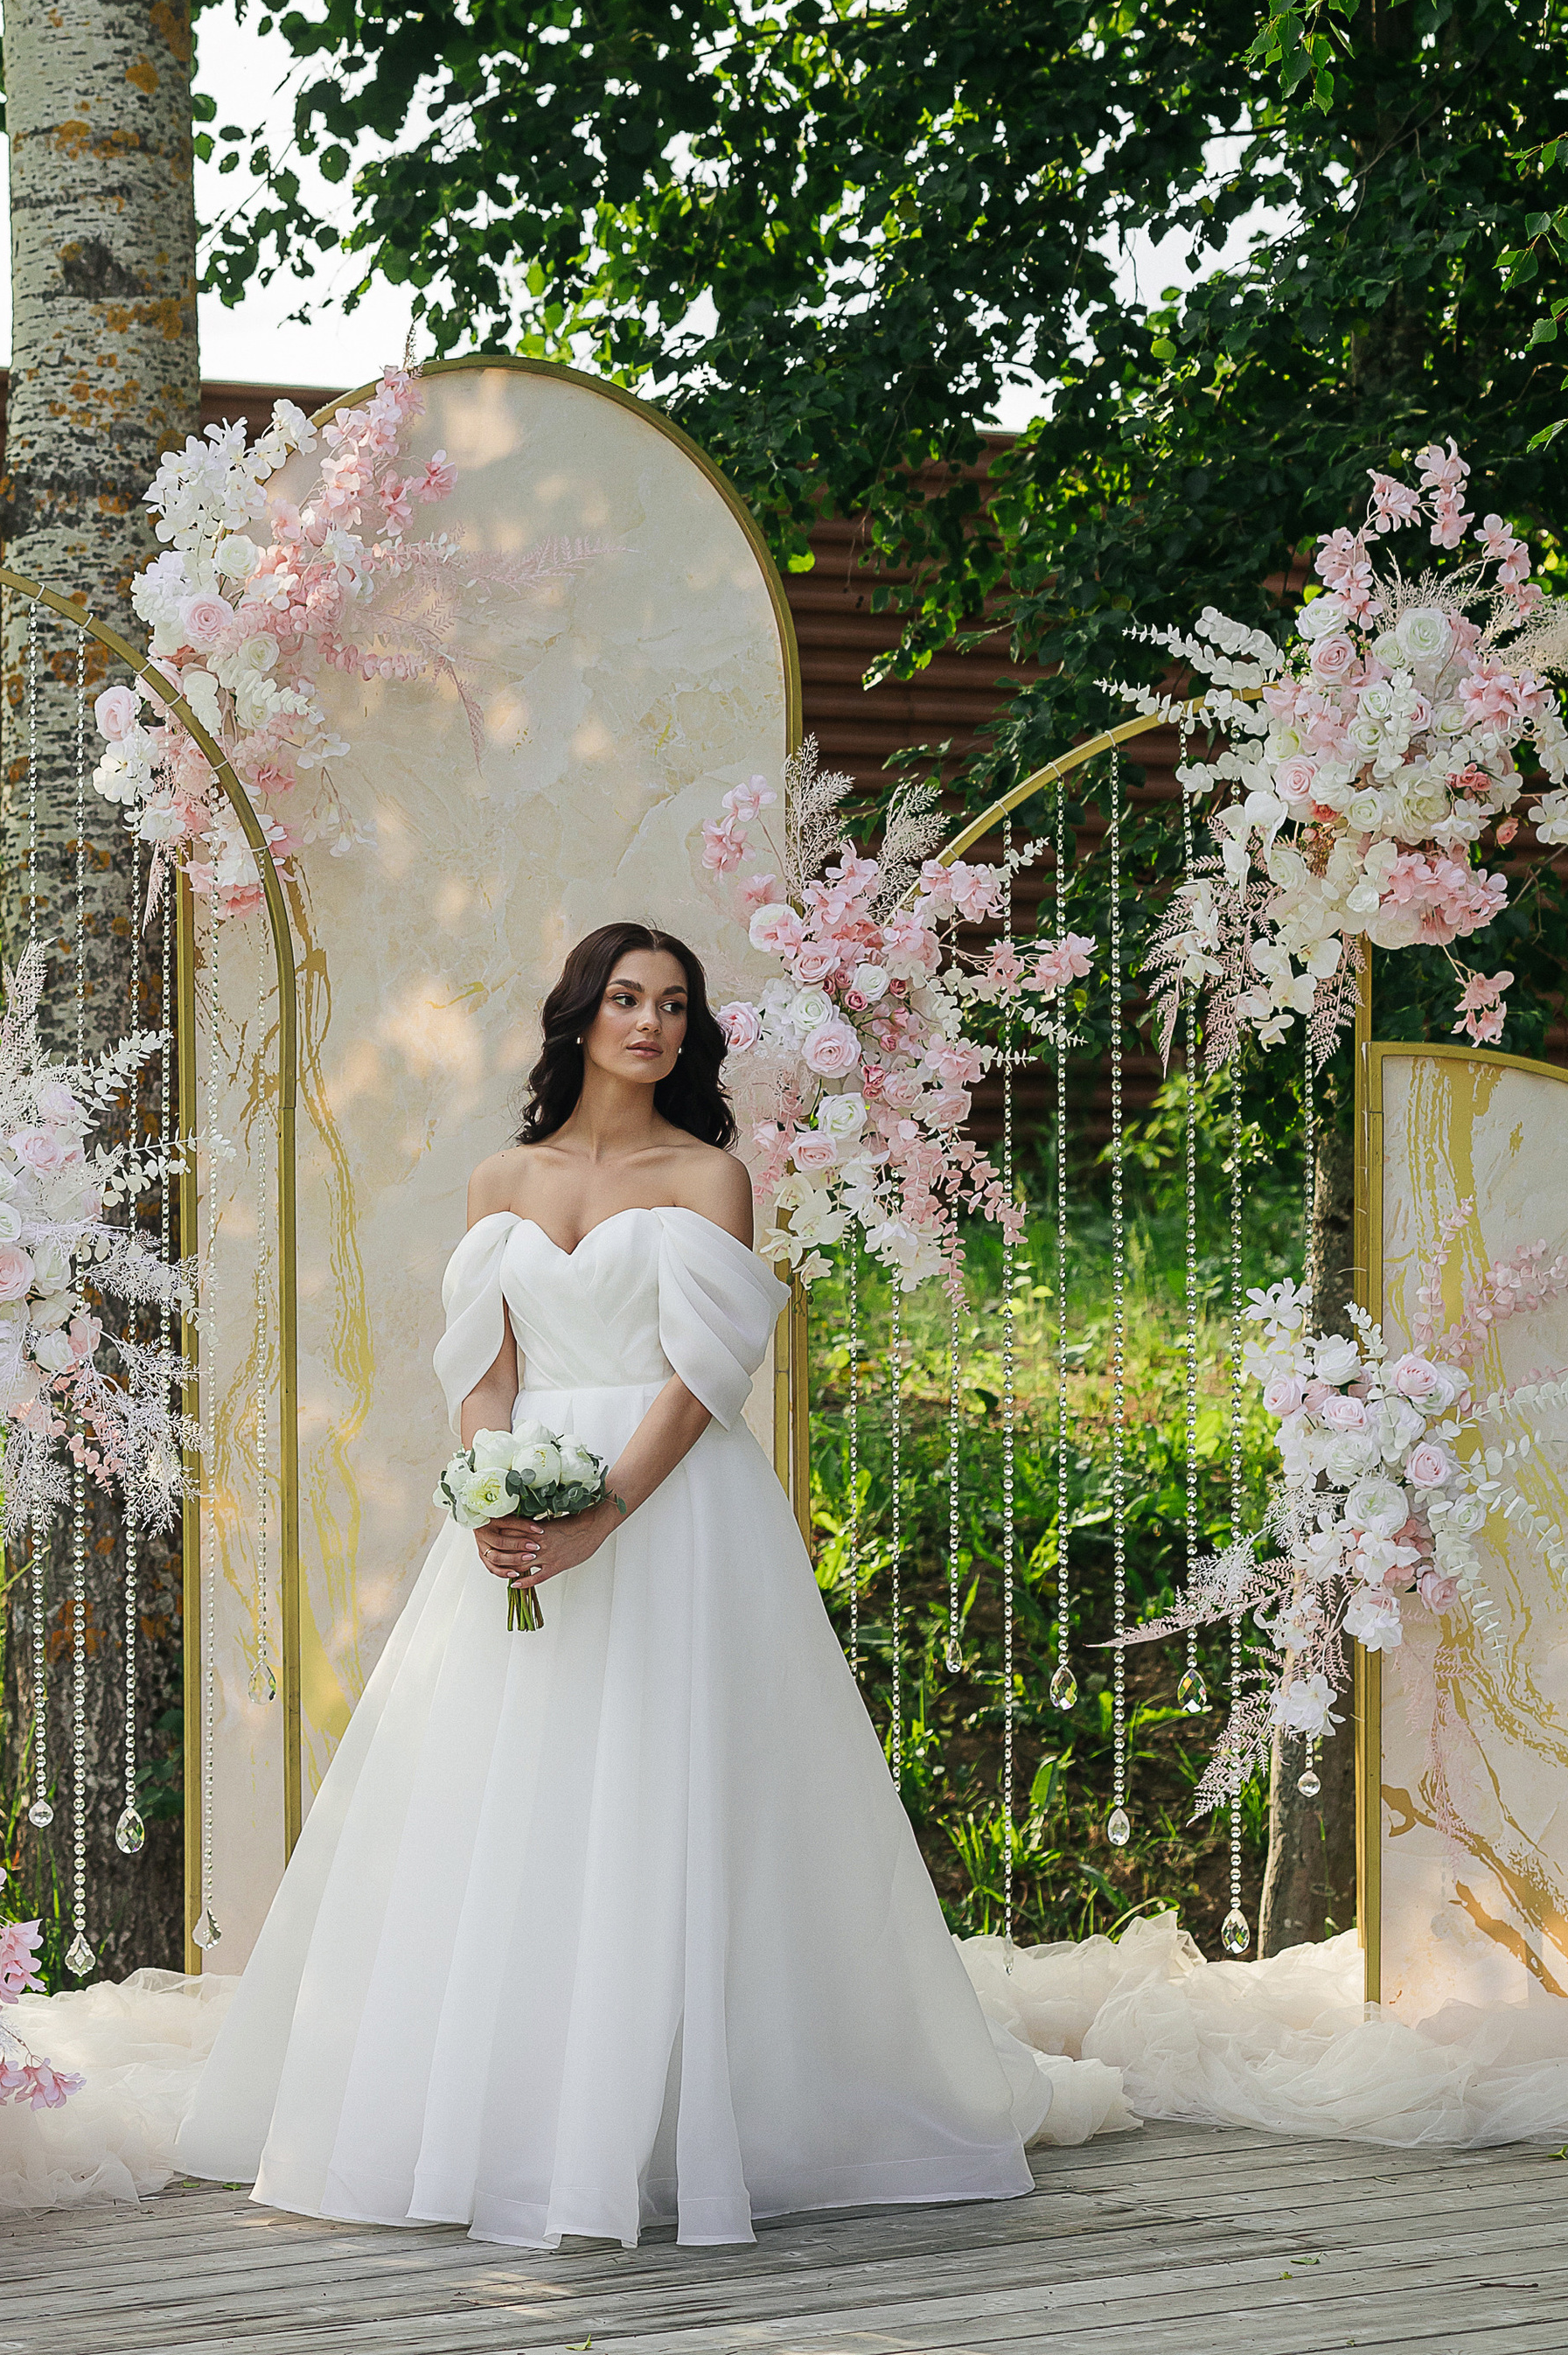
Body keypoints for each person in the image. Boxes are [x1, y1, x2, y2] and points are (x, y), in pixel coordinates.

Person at [172, 918, 1049, 2246]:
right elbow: (484, 1364)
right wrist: (495, 1495)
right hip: (524, 1516)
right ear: (579, 1015)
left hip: (675, 1520)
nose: (652, 1023)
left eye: (676, 1005)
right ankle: (507, 2118)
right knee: (506, 1807)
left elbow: (703, 1376)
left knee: (666, 1796)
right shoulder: (499, 1179)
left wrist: (605, 1514)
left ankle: (670, 2126)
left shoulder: (710, 1176)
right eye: (628, 998)